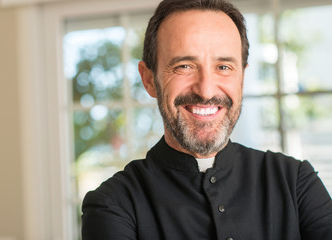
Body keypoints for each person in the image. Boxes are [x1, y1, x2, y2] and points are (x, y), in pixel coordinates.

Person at [81, 0, 332, 239]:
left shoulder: (296, 182)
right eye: (184, 66)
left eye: (223, 67)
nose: (206, 90)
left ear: (242, 78)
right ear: (149, 79)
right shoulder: (113, 204)